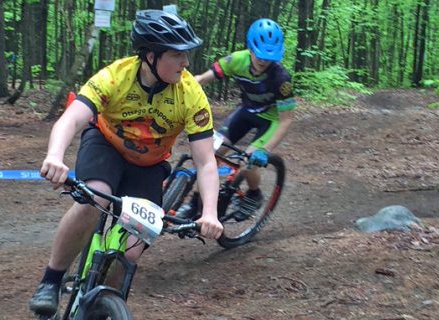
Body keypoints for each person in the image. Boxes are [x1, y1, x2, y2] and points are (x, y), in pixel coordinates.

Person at [28, 10, 223, 316]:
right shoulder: (115, 76)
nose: (186, 63)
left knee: (131, 250)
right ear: (150, 56)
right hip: (106, 146)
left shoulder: (191, 95)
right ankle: (51, 280)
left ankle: (104, 304)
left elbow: (206, 162)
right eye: (177, 55)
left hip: (148, 164)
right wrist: (54, 156)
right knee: (92, 198)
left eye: (187, 54)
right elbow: (72, 119)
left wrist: (210, 212)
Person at [184, 18, 296, 221]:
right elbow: (204, 78)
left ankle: (254, 194)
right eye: (259, 54)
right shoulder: (237, 59)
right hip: (245, 112)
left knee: (248, 160)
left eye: (269, 57)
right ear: (250, 48)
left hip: (270, 121)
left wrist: (265, 149)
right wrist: (188, 84)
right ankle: (194, 203)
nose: (263, 61)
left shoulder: (281, 79)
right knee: (211, 153)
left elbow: (286, 119)